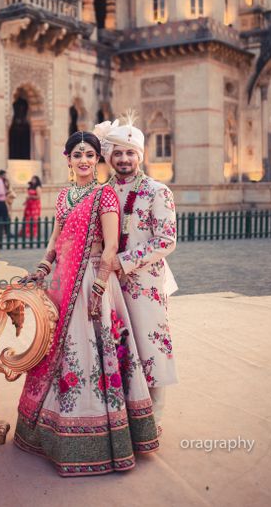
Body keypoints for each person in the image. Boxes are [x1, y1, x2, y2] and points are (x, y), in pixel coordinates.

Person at [14, 131, 159, 477]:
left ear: (98, 160)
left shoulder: (104, 195)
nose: (83, 160)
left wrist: (98, 285)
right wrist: (42, 268)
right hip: (63, 282)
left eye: (90, 155)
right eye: (77, 154)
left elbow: (110, 247)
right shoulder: (64, 196)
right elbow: (55, 238)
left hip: (92, 281)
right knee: (56, 352)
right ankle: (51, 432)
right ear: (67, 159)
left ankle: (99, 438)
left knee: (91, 353)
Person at [94, 117, 178, 436]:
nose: (124, 159)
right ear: (109, 157)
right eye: (118, 153)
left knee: (149, 345)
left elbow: (166, 240)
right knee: (117, 345)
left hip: (146, 284)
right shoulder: (103, 193)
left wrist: (124, 261)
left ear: (140, 156)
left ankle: (154, 418)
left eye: (130, 153)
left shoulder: (158, 191)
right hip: (110, 283)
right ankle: (122, 413)